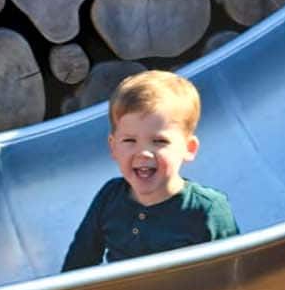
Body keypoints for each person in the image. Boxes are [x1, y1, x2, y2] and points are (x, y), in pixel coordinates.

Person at [62, 70, 240, 270]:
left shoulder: (207, 210)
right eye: (130, 140)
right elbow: (78, 265)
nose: (144, 153)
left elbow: (234, 275)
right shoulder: (109, 197)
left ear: (188, 149)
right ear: (113, 147)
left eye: (159, 141)